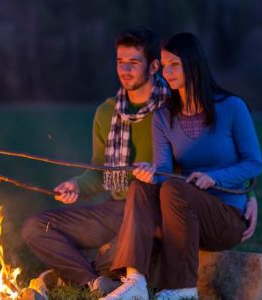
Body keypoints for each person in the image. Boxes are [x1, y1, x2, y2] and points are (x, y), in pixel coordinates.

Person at [102, 32, 262, 300]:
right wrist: (151, 173)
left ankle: (183, 288)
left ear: (192, 63)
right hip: (182, 217)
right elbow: (164, 170)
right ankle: (135, 283)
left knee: (175, 190)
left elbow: (254, 163)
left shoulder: (232, 107)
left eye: (174, 64)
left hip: (225, 217)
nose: (167, 72)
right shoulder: (163, 116)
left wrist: (215, 178)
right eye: (164, 66)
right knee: (142, 187)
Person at [21, 26, 170, 295]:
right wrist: (76, 186)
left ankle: (78, 275)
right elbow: (100, 172)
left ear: (154, 66)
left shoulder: (172, 109)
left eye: (134, 63)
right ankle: (95, 281)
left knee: (115, 251)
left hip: (154, 210)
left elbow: (208, 156)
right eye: (120, 62)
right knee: (35, 228)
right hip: (115, 209)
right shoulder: (107, 112)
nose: (125, 70)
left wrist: (248, 194)